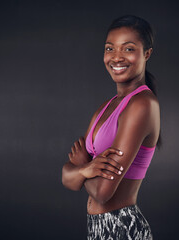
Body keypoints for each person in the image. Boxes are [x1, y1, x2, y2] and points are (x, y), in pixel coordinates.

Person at [62, 15, 160, 240]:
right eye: (110, 48)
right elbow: (66, 178)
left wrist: (82, 166)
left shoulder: (143, 105)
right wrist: (86, 170)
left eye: (128, 49)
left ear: (147, 53)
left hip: (122, 228)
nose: (116, 57)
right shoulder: (105, 108)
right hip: (98, 228)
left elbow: (103, 192)